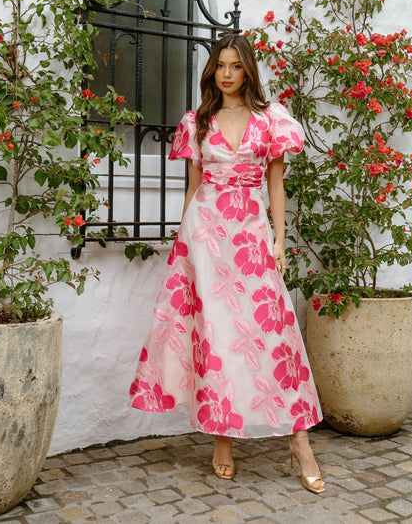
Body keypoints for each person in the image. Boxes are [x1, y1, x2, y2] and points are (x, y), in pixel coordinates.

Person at [129, 33, 325, 494]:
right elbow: (194, 188)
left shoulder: (271, 120)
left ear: (248, 70)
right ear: (212, 71)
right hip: (205, 237)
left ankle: (300, 442)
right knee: (217, 335)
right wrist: (183, 244)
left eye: (236, 65)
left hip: (251, 235)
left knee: (273, 333)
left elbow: (275, 184)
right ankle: (222, 438)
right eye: (220, 65)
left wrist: (279, 239)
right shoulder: (197, 122)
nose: (227, 73)